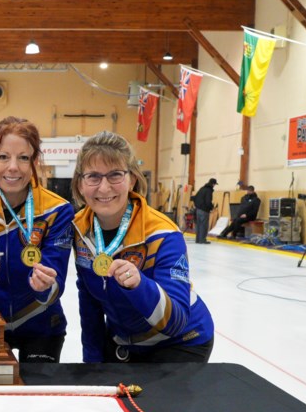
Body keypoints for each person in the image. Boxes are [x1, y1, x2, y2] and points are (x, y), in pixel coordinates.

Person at [72, 131, 214, 363]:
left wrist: (140, 285)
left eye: (115, 175)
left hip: (181, 341)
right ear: (80, 184)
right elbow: (88, 300)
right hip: (124, 341)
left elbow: (175, 322)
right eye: (93, 177)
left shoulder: (163, 234)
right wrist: (92, 363)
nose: (104, 188)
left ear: (132, 179)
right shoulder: (79, 229)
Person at [0, 116, 74, 362]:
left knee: (37, 397)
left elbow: (56, 280)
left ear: (34, 162)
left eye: (23, 157)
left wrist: (45, 285)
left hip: (41, 322)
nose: (13, 167)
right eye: (3, 157)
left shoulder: (57, 210)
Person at [192, 177, 217, 244]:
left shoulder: (202, 189)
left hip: (198, 210)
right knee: (204, 225)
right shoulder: (209, 190)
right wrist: (211, 207)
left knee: (198, 225)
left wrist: (197, 206)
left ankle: (198, 240)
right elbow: (208, 201)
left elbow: (194, 198)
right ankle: (202, 240)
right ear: (213, 184)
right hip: (204, 210)